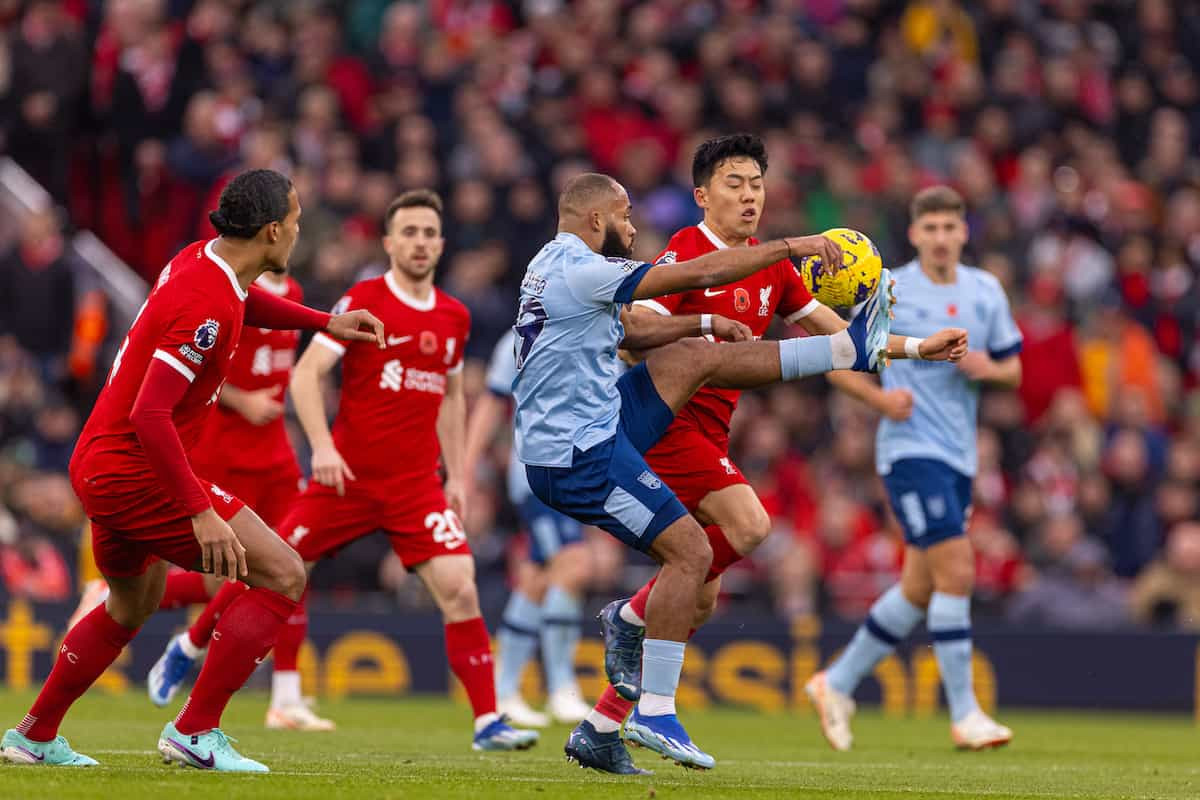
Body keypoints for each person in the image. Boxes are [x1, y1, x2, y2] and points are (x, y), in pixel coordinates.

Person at [515, 172, 966, 771]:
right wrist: (789, 246)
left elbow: (849, 340)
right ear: (706, 195)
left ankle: (601, 726)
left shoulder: (560, 260)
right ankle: (651, 694)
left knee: (693, 601)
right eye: (736, 184)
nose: (751, 196)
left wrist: (912, 348)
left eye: (758, 183)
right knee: (715, 542)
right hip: (605, 447)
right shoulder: (674, 252)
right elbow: (639, 326)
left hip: (625, 421)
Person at [0, 169, 385, 771]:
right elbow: (151, 412)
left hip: (99, 463)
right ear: (273, 230)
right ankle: (195, 730)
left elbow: (244, 298)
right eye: (297, 221)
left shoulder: (200, 262)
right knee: (284, 573)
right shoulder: (204, 303)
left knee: (130, 606)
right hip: (133, 471)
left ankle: (34, 734)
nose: (299, 231)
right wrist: (201, 512)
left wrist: (321, 322)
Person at [272, 189, 539, 752]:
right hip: (345, 477)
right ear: (390, 242)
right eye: (409, 233)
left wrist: (459, 476)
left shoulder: (454, 315)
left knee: (460, 588)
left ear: (441, 245)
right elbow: (305, 374)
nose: (419, 243)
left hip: (414, 486)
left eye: (429, 233)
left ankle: (488, 721)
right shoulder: (364, 299)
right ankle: (193, 647)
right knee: (276, 569)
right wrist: (320, 447)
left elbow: (449, 396)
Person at [807, 185, 1022, 752]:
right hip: (908, 451)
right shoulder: (889, 286)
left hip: (959, 456)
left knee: (921, 587)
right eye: (931, 229)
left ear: (964, 232)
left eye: (950, 228)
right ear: (914, 233)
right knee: (958, 571)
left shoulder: (986, 289)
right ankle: (966, 713)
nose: (941, 238)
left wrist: (986, 369)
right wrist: (881, 403)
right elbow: (835, 360)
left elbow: (1014, 370)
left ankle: (837, 682)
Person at [140, 266, 337, 730]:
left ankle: (286, 698)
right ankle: (139, 611)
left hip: (276, 456)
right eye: (289, 223)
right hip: (223, 455)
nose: (294, 234)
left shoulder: (293, 291)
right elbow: (191, 368)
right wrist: (242, 401)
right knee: (224, 579)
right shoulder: (228, 293)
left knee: (295, 562)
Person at [464, 329, 593, 727]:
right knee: (574, 566)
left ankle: (502, 690)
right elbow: (493, 400)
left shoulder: (597, 324)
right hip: (539, 473)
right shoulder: (520, 337)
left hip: (581, 470)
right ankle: (561, 689)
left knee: (539, 578)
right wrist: (467, 470)